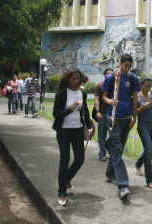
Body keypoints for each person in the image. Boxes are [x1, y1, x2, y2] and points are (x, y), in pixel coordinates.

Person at [101, 53, 140, 199]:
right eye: (125, 66)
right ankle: (123, 185)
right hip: (113, 117)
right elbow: (104, 95)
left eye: (129, 66)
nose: (127, 69)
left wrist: (134, 117)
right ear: (120, 63)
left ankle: (110, 173)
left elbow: (135, 98)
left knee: (118, 149)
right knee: (117, 149)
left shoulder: (133, 78)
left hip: (126, 118)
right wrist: (109, 100)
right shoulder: (111, 78)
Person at [52, 69, 93, 206]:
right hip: (63, 130)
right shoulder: (62, 93)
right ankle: (62, 192)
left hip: (77, 130)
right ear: (68, 79)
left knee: (80, 159)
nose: (76, 81)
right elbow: (56, 114)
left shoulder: (81, 92)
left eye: (78, 79)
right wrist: (70, 109)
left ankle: (66, 179)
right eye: (74, 79)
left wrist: (89, 125)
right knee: (64, 159)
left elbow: (85, 110)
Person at [94, 68, 113, 161]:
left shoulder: (115, 86)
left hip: (113, 115)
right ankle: (102, 153)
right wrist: (97, 111)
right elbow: (97, 99)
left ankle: (109, 149)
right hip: (103, 114)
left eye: (111, 74)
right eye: (107, 74)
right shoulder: (100, 85)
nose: (109, 75)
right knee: (102, 135)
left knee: (114, 135)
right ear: (104, 75)